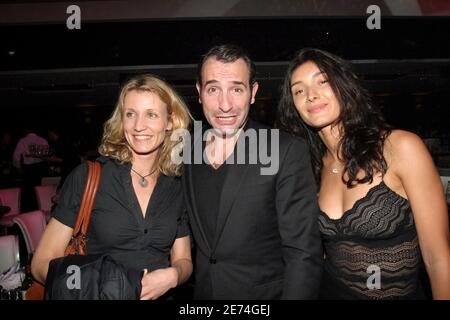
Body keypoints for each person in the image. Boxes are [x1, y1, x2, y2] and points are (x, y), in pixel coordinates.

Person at [277, 48, 450, 299]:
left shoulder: (399, 148)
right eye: (299, 90)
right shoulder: (310, 166)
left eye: (322, 81)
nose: (311, 96)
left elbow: (438, 257)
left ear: (343, 86)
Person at [31, 74, 193, 300]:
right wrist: (99, 286)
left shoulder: (177, 185)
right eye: (131, 114)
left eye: (151, 114)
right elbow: (40, 264)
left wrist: (174, 275)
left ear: (169, 122)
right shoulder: (88, 177)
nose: (138, 126)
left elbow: (184, 259)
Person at [182, 44, 322, 299]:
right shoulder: (187, 148)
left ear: (253, 92)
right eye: (213, 89)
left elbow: (303, 253)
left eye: (236, 89)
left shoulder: (284, 150)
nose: (225, 105)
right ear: (200, 93)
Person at [12, 126, 49, 211]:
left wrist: (18, 167)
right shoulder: (42, 140)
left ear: (27, 130)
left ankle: (31, 210)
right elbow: (48, 154)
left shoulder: (23, 140)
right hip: (41, 167)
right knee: (41, 188)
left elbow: (16, 156)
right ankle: (42, 207)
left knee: (30, 191)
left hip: (30, 168)